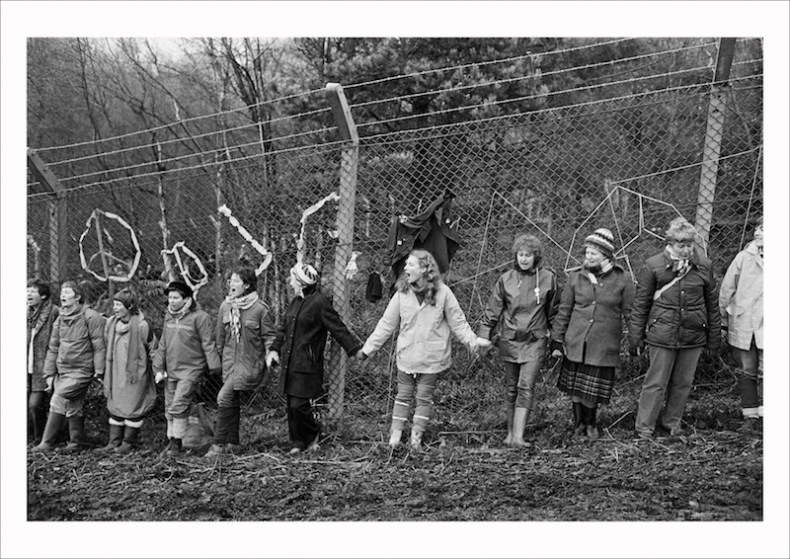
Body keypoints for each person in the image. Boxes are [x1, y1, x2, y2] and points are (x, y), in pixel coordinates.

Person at [359, 249, 491, 449]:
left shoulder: (443, 293)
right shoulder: (401, 293)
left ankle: (416, 440)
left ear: (424, 269)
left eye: (411, 264)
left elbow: (459, 323)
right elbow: (386, 324)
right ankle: (395, 440)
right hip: (407, 356)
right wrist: (368, 349)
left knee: (423, 397)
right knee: (402, 396)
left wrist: (475, 343)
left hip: (432, 358)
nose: (405, 267)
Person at [629, 217, 721, 439]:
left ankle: (672, 423)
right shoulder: (653, 265)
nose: (687, 249)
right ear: (669, 243)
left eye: (690, 244)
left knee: (683, 383)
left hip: (693, 334)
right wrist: (636, 336)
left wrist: (714, 337)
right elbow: (641, 303)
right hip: (662, 334)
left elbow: (712, 303)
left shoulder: (703, 266)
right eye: (681, 244)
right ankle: (644, 427)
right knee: (656, 383)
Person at [266, 263, 362, 454]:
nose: (290, 280)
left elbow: (337, 328)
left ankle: (313, 433)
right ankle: (297, 442)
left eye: (293, 277)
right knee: (291, 406)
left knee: (299, 405)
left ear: (301, 282)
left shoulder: (319, 303)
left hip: (307, 364)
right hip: (290, 363)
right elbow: (283, 329)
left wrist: (355, 349)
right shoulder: (295, 302)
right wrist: (275, 349)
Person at [550, 228, 635, 439]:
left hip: (603, 343)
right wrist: (557, 340)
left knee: (591, 390)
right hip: (576, 341)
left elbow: (630, 312)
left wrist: (636, 339)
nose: (588, 257)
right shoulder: (575, 278)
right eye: (586, 252)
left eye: (593, 254)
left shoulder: (623, 279)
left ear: (606, 255)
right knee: (575, 389)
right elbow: (564, 310)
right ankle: (579, 425)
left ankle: (591, 423)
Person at [478, 234, 559, 446]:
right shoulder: (505, 279)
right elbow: (492, 311)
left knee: (526, 386)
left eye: (528, 255)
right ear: (516, 256)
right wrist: (484, 336)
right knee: (511, 387)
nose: (524, 259)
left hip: (535, 340)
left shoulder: (548, 278)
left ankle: (519, 436)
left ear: (536, 256)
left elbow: (554, 313)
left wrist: (557, 341)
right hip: (510, 340)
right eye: (521, 255)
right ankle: (509, 434)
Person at [205, 267, 276, 457]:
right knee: (232, 400)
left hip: (250, 364)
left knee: (223, 398)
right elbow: (220, 338)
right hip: (229, 364)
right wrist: (220, 360)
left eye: (236, 281)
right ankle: (233, 442)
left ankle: (218, 444)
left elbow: (270, 337)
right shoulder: (225, 307)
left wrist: (271, 355)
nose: (231, 284)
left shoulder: (260, 309)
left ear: (246, 285)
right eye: (230, 280)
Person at [35, 281, 106, 452]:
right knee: (73, 403)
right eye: (62, 292)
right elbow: (53, 347)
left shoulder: (91, 317)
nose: (63, 295)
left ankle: (47, 442)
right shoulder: (60, 318)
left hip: (82, 370)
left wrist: (99, 371)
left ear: (78, 297)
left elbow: (99, 346)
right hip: (63, 370)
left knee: (58, 398)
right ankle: (75, 443)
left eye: (67, 292)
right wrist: (49, 373)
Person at [152, 280, 221, 457]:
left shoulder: (200, 317)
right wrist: (158, 367)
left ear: (187, 299)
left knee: (179, 405)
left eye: (176, 297)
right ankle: (172, 441)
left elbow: (208, 343)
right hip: (172, 370)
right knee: (169, 407)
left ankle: (176, 445)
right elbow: (163, 344)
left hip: (191, 370)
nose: (172, 301)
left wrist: (215, 367)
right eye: (170, 298)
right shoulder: (169, 316)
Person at [99, 289, 157, 453]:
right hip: (115, 372)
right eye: (114, 304)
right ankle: (114, 441)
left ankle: (128, 442)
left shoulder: (142, 326)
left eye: (119, 305)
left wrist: (158, 369)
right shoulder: (111, 323)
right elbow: (106, 342)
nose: (115, 308)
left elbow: (153, 349)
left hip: (135, 375)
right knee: (116, 405)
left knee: (133, 406)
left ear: (129, 307)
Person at [719, 218, 763, 433]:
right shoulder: (744, 258)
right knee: (747, 370)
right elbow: (727, 290)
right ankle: (750, 416)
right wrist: (724, 319)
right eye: (758, 228)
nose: (758, 232)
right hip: (744, 322)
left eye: (764, 229)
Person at [27, 279, 59, 446]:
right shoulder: (25, 313)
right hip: (27, 366)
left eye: (33, 291)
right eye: (27, 291)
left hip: (43, 367)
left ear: (44, 295)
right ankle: (29, 437)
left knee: (35, 404)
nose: (28, 294)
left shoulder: (54, 312)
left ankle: (41, 438)